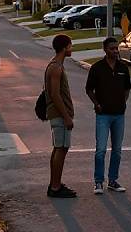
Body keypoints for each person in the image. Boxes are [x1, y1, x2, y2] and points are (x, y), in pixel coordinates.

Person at [86, 37, 131, 195]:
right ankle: (98, 182)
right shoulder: (97, 68)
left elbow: (127, 88)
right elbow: (89, 89)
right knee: (101, 150)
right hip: (103, 115)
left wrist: (123, 102)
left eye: (116, 48)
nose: (115, 51)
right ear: (105, 49)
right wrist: (96, 104)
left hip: (119, 115)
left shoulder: (123, 68)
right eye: (112, 48)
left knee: (117, 150)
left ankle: (113, 180)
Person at [45, 34, 76, 198]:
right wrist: (66, 117)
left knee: (59, 148)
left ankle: (54, 183)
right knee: (61, 149)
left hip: (58, 114)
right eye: (70, 45)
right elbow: (55, 95)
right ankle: (56, 187)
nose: (72, 48)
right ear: (64, 48)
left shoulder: (56, 65)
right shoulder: (56, 67)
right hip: (59, 115)